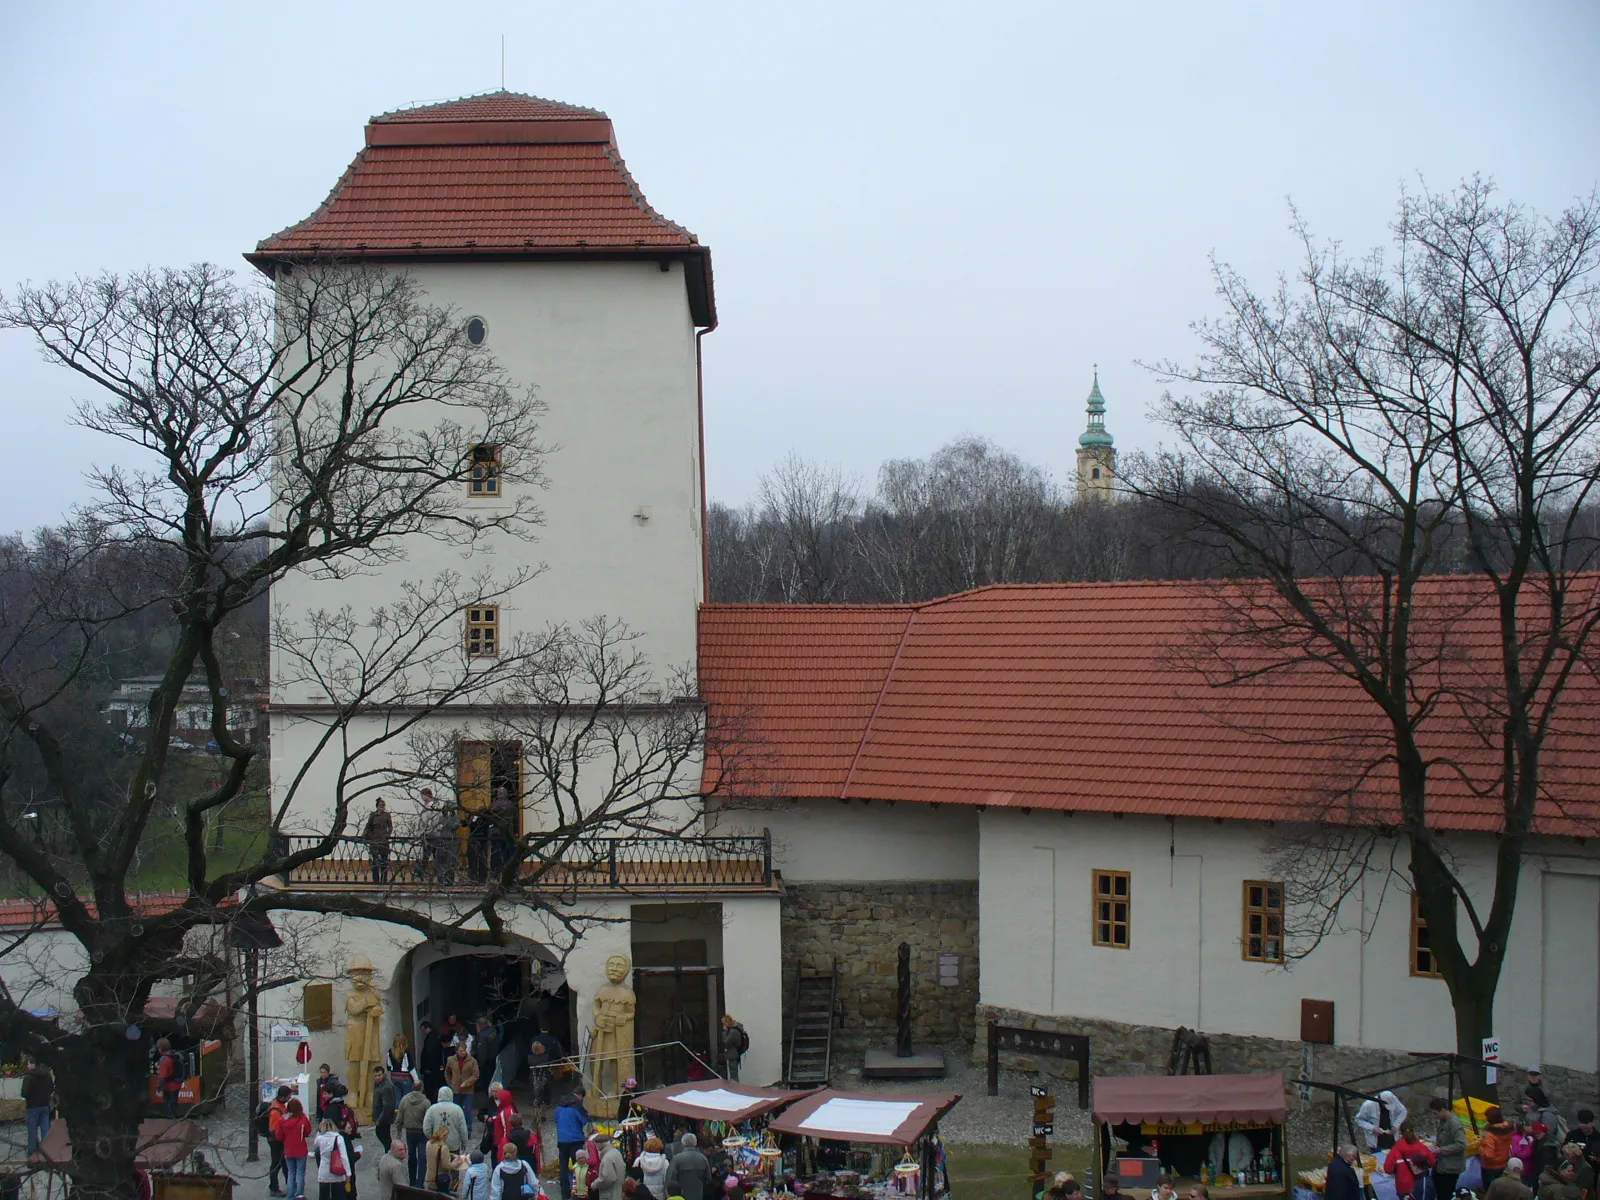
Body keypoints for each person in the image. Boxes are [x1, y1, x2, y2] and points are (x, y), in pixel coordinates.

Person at [556, 1089, 594, 1200]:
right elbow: (586, 1121)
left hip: (562, 1140)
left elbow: (556, 1121)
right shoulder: (576, 1106)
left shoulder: (559, 1106)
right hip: (575, 1140)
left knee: (563, 1167)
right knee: (578, 1167)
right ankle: (578, 1192)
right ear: (581, 1096)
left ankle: (564, 1194)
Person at [1385, 1121, 1437, 1200]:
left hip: (1403, 1187)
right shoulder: (1421, 1147)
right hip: (1420, 1186)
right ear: (1413, 1131)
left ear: (1400, 1133)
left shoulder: (1396, 1148)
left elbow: (1387, 1169)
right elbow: (1433, 1162)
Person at [314, 1117, 361, 1200]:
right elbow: (344, 1157)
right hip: (337, 1172)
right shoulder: (338, 1138)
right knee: (338, 1196)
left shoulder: (319, 1139)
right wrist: (348, 1173)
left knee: (324, 1196)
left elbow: (315, 1145)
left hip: (324, 1173)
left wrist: (319, 1132)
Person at [1429, 1096, 1467, 1200]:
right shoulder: (1443, 1120)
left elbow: (1462, 1144)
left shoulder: (1454, 1124)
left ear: (1442, 1110)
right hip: (1442, 1164)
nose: (1434, 1116)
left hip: (1451, 1168)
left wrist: (1441, 1150)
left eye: (1435, 1113)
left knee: (1445, 1194)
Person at [399, 1078, 432, 1188]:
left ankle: (412, 1180)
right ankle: (420, 1183)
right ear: (422, 1089)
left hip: (410, 1132)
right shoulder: (426, 1102)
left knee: (411, 1156)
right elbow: (428, 1120)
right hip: (422, 1133)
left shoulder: (404, 1099)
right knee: (423, 1158)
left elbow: (400, 1116)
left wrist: (399, 1129)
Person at [278, 1098, 314, 1200]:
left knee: (291, 1173)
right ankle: (300, 1195)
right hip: (301, 1149)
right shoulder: (303, 1119)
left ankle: (291, 1195)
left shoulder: (282, 1120)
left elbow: (279, 1136)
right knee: (300, 1173)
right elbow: (308, 1131)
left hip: (288, 1150)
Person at [424, 788, 458, 884]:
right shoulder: (441, 816)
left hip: (452, 841)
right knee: (441, 860)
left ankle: (450, 880)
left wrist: (447, 821)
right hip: (442, 840)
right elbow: (439, 825)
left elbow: (454, 826)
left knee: (451, 861)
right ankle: (441, 879)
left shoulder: (455, 817)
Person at [264, 1084, 293, 1195]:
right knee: (276, 1164)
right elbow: (273, 1130)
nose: (290, 1097)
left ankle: (289, 1184)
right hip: (276, 1142)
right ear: (283, 1097)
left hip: (279, 1141)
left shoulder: (280, 1105)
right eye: (289, 1096)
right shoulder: (276, 1110)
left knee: (284, 1163)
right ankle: (274, 1188)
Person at [21, 1059, 53, 1159]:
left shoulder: (28, 1077)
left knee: (32, 1131)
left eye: (29, 1064)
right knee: (45, 1129)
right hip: (45, 1106)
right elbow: (52, 1089)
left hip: (32, 1107)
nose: (27, 1066)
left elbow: (24, 1093)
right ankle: (47, 1151)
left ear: (33, 1065)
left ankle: (32, 1153)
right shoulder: (48, 1075)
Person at [426, 1085, 470, 1155]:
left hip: (437, 1145)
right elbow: (463, 1129)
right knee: (453, 1164)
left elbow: (426, 1128)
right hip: (453, 1145)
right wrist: (464, 1143)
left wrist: (433, 1140)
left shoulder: (432, 1109)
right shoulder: (457, 1109)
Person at [447, 1043, 481, 1131]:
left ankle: (468, 1129)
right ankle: (455, 1129)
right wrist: (450, 1083)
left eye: (464, 1050)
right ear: (456, 1051)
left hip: (468, 1090)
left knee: (468, 1110)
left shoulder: (472, 1061)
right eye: (461, 1051)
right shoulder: (451, 1060)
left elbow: (475, 1075)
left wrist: (467, 1083)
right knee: (455, 1110)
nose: (463, 1052)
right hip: (456, 1090)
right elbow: (447, 1072)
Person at [1483, 1108, 1517, 1190]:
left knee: (1489, 1189)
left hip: (1490, 1166)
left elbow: (1489, 1155)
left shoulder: (1490, 1135)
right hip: (1502, 1163)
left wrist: (1480, 1148)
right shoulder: (1508, 1130)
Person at [426, 1124, 464, 1194]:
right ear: (445, 1136)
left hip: (430, 1178)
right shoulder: (444, 1147)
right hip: (440, 1180)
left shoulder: (429, 1143)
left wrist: (452, 1155)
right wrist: (456, 1162)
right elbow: (446, 1165)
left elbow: (436, 1153)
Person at [365, 798, 394, 885]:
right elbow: (368, 826)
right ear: (377, 807)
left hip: (384, 841)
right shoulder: (373, 815)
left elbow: (390, 827)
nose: (382, 808)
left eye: (383, 806)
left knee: (384, 861)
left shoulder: (387, 815)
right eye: (380, 806)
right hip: (374, 840)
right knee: (375, 861)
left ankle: (384, 879)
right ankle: (376, 879)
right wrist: (365, 836)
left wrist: (387, 835)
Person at [154, 1038, 184, 1118]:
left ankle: (172, 1123)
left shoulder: (164, 1059)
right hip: (177, 1084)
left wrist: (159, 1089)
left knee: (169, 1108)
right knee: (174, 1105)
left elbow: (162, 1077)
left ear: (160, 1048)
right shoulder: (174, 1055)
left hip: (169, 1086)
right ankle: (176, 1121)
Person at [592, 1131, 625, 1200]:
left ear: (600, 1144)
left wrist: (595, 1184)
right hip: (619, 1191)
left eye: (596, 1144)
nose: (596, 1147)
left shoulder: (607, 1158)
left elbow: (608, 1179)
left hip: (610, 1195)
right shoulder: (616, 1153)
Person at [373, 1065, 398, 1156]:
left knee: (384, 1136)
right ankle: (389, 1153)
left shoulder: (386, 1087)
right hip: (380, 1116)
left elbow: (387, 1106)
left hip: (383, 1118)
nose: (377, 1077)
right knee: (383, 1136)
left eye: (379, 1075)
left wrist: (380, 1119)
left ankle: (390, 1153)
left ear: (384, 1074)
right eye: (375, 1075)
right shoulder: (378, 1085)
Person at [1567, 1111, 1600, 1176]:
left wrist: (1596, 1159)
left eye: (1586, 1123)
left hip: (1592, 1172)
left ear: (1592, 1123)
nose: (1584, 1125)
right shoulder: (1572, 1134)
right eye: (1582, 1123)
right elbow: (1563, 1149)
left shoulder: (1598, 1137)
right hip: (1573, 1172)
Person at [420, 1021, 447, 1100]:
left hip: (431, 1069)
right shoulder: (436, 1036)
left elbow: (429, 1053)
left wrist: (427, 1068)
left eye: (424, 1030)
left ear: (428, 1028)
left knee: (430, 1088)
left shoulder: (430, 1039)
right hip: (436, 1067)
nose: (423, 1032)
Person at [718, 1016, 747, 1083]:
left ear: (727, 1023)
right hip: (732, 1055)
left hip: (733, 1055)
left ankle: (735, 1089)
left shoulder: (733, 1031)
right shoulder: (733, 1030)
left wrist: (724, 1032)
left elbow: (726, 1041)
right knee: (733, 1074)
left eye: (724, 1023)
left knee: (734, 1075)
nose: (723, 1025)